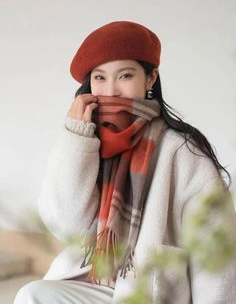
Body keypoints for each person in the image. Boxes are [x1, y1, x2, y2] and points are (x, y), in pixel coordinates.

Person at [13, 20, 236, 304]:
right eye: (100, 78)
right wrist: (76, 138)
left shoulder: (181, 151)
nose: (111, 91)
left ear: (151, 78)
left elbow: (216, 251)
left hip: (150, 292)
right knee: (32, 294)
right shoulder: (88, 141)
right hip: (96, 282)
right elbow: (67, 227)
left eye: (125, 76)